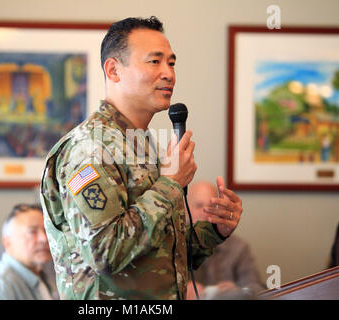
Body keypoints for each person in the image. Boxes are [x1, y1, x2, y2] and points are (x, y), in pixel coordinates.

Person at [40, 16, 244, 300]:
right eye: (154, 61)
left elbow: (157, 255)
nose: (168, 74)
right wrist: (170, 184)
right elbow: (105, 254)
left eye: (171, 63)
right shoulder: (89, 149)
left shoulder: (139, 144)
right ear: (113, 70)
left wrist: (214, 231)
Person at [185, 181, 264, 299]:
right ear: (185, 210)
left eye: (212, 206)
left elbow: (258, 289)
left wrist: (238, 291)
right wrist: (180, 288)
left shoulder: (238, 247)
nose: (206, 212)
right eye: (199, 206)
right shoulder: (172, 245)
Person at [0, 204, 58, 300]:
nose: (44, 239)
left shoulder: (43, 276)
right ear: (8, 243)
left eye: (47, 231)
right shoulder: (0, 285)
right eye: (32, 232)